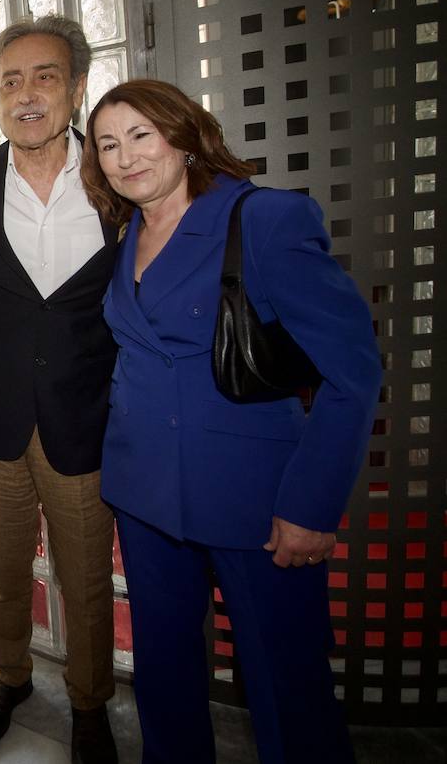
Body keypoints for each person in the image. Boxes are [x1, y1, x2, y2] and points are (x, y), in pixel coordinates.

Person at [82, 79, 379, 764]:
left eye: (140, 136)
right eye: (106, 145)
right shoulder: (126, 233)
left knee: (287, 684)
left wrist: (311, 506)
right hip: (145, 496)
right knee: (164, 675)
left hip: (256, 499)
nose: (124, 158)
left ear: (184, 137)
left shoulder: (264, 220)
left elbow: (354, 372)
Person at [0, 16, 120, 762]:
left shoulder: (115, 177)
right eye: (10, 80)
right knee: (3, 573)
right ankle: (8, 676)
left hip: (84, 419)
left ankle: (90, 701)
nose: (27, 94)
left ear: (76, 89)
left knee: (86, 580)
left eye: (45, 76)